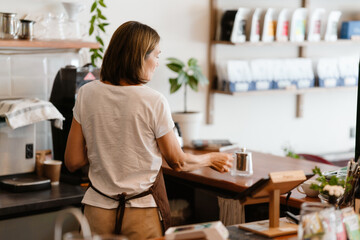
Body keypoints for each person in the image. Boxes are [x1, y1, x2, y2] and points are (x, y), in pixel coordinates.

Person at [64, 21, 233, 240]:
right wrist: (211, 158)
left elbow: (72, 161)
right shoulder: (153, 101)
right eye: (156, 55)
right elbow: (177, 161)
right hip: (141, 211)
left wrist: (105, 146)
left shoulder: (86, 94)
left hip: (97, 209)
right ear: (139, 57)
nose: (157, 63)